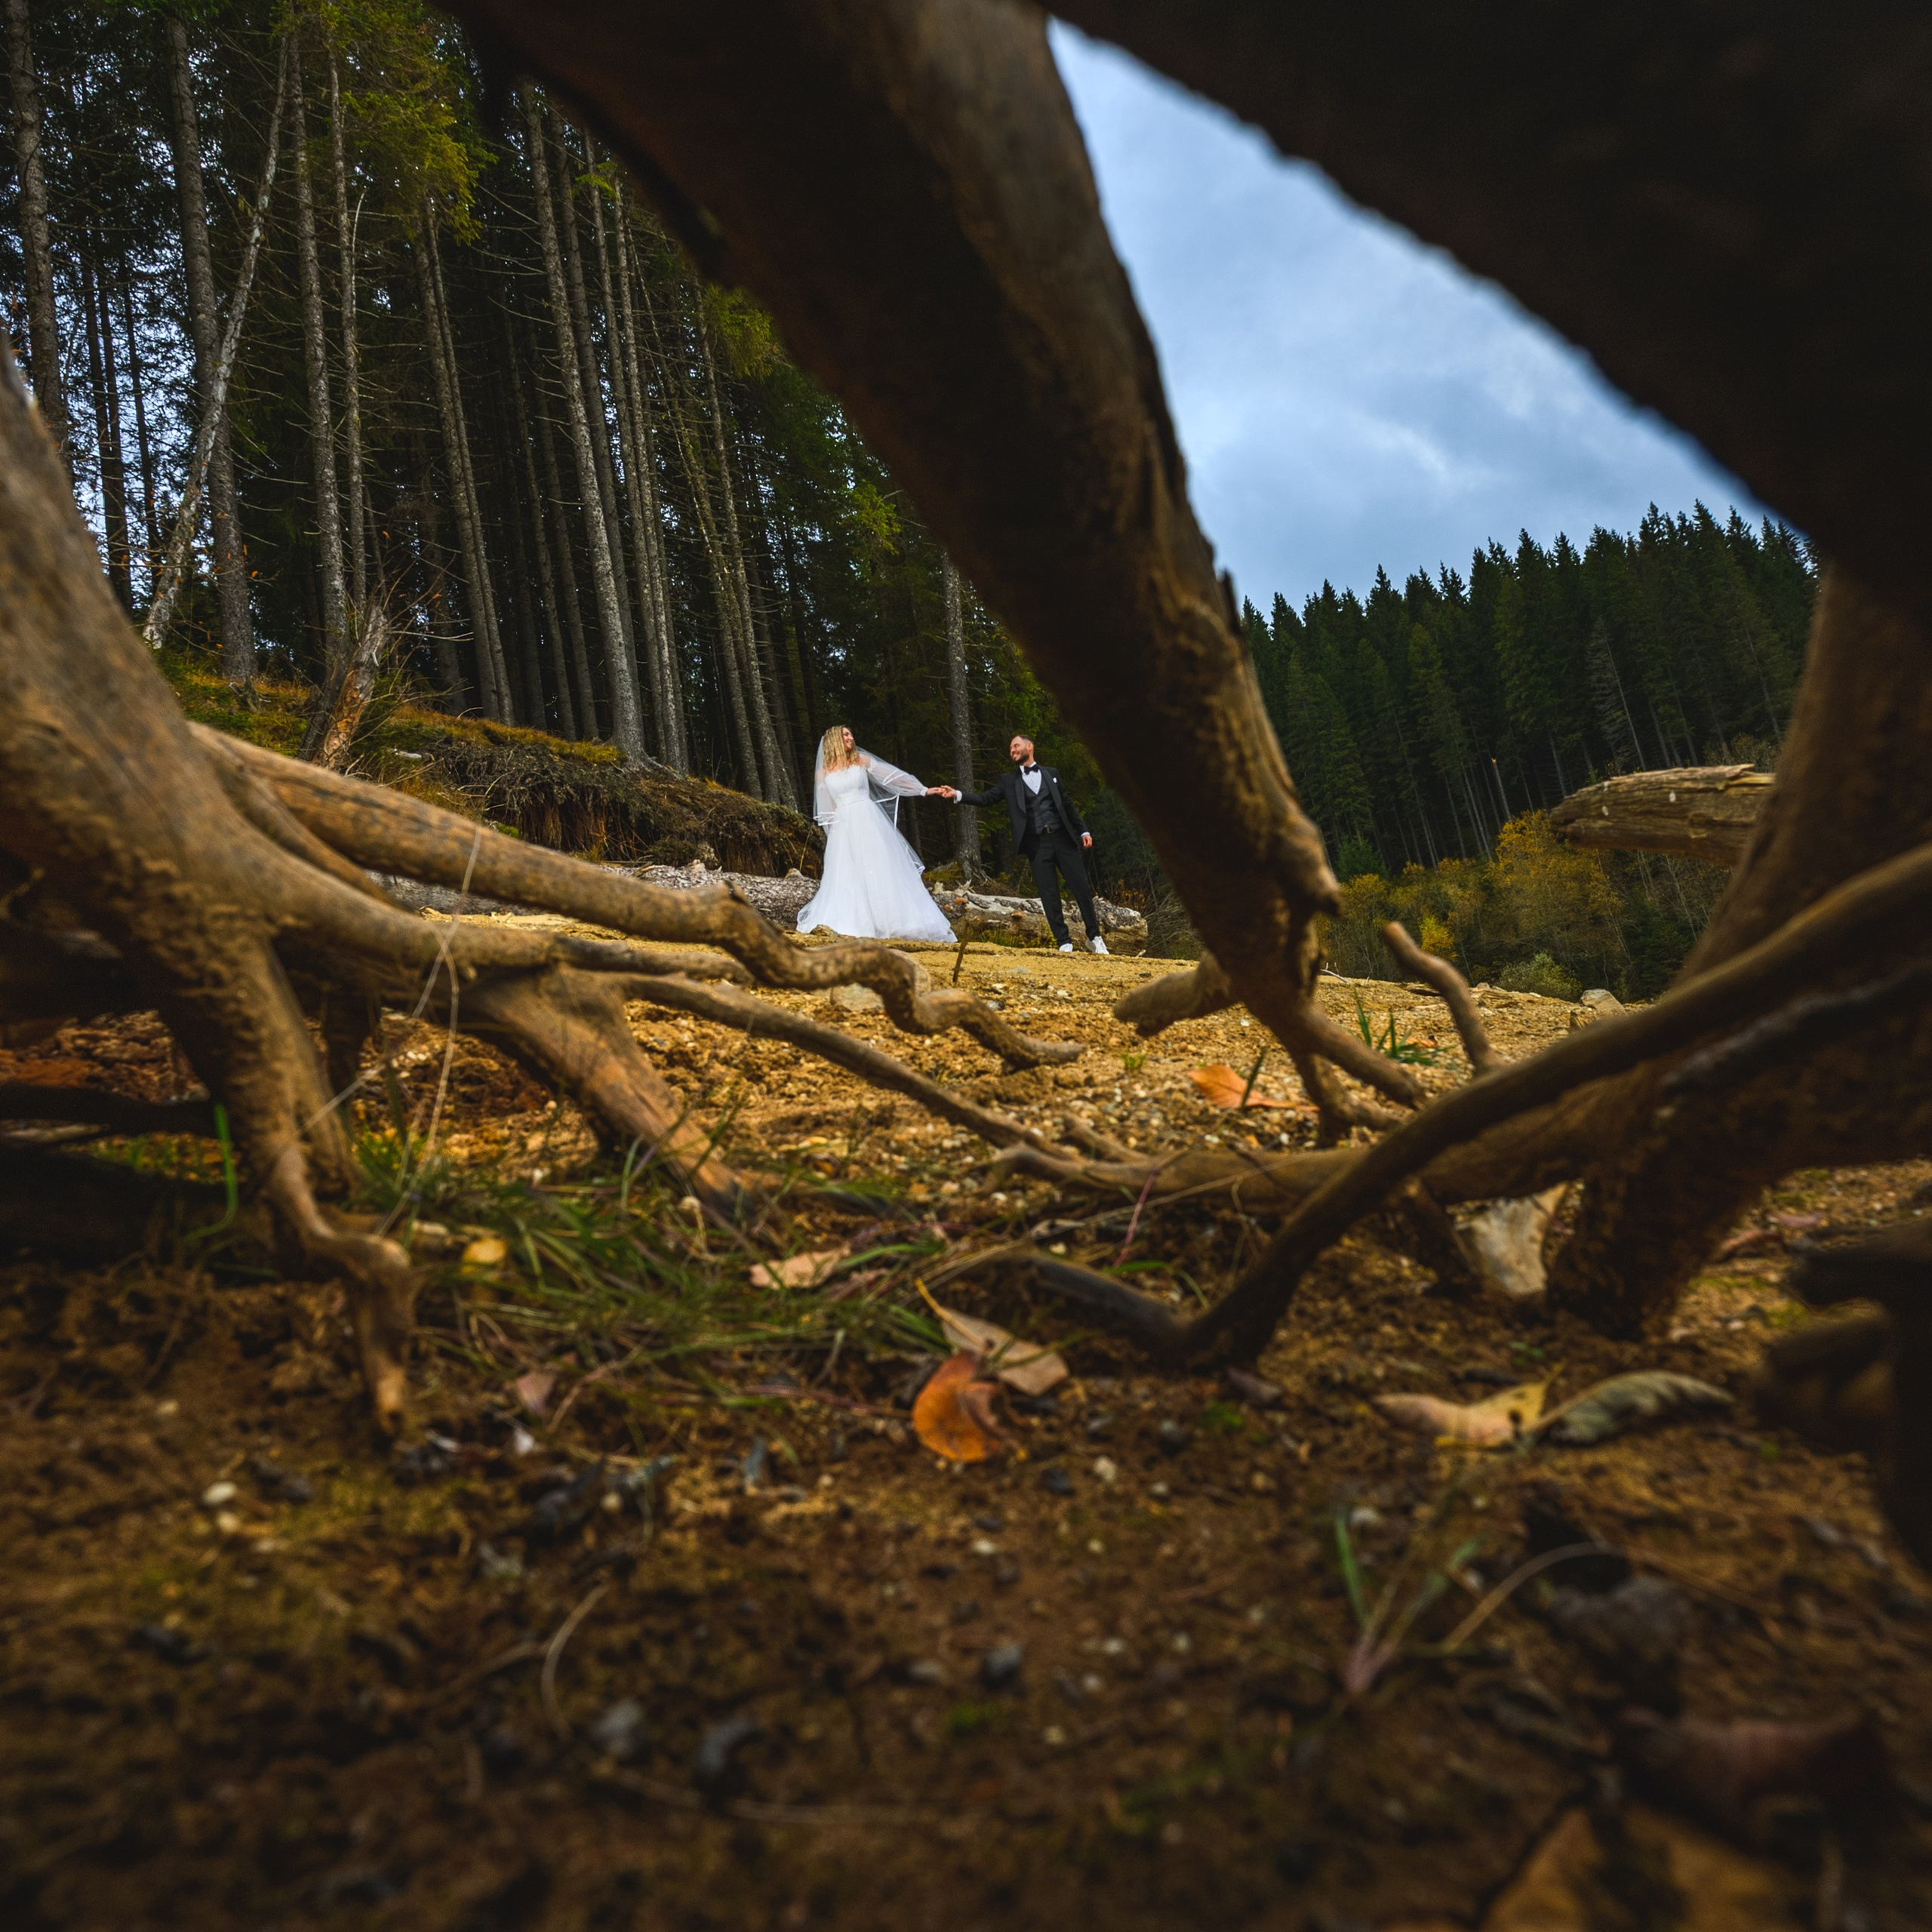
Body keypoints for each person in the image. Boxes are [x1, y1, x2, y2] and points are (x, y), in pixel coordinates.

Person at [937, 734, 1109, 954]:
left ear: (1030, 746)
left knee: (1082, 890)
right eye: (1010, 749)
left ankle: (1094, 937)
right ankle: (1064, 942)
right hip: (1037, 845)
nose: (1012, 750)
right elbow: (986, 798)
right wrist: (958, 795)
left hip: (1063, 839)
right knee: (1049, 895)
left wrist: (1083, 830)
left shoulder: (1052, 774)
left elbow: (1067, 805)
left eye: (1016, 746)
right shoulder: (1009, 781)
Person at [795, 725, 957, 942]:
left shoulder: (861, 761)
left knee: (880, 868)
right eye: (845, 734)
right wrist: (834, 838)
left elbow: (893, 778)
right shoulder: (823, 773)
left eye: (851, 733)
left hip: (868, 820)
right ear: (834, 739)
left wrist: (923, 790)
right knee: (848, 875)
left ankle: (893, 922)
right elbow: (827, 811)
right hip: (843, 828)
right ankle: (857, 924)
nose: (850, 737)